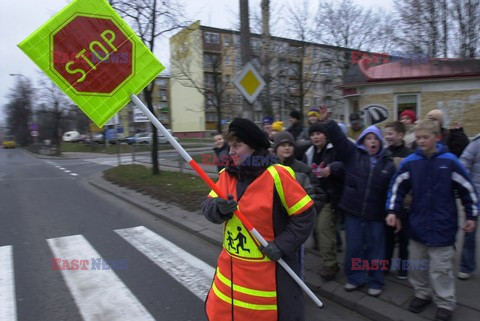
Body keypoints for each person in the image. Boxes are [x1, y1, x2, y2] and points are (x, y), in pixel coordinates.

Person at [201, 118, 316, 321]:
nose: (231, 152)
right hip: (229, 279)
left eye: (238, 146)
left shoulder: (278, 175)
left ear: (254, 148)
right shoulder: (226, 175)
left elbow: (305, 216)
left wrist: (281, 245)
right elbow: (207, 208)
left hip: (270, 279)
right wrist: (218, 208)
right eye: (230, 146)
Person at [386, 119, 478, 321]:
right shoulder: (411, 162)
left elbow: (467, 189)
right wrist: (392, 210)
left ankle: (445, 302)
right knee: (417, 265)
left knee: (441, 268)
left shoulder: (450, 161)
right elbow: (397, 187)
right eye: (418, 137)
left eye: (425, 137)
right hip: (417, 225)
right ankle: (422, 293)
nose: (421, 141)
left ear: (437, 137)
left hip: (443, 226)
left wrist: (471, 215)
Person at [316, 106, 395, 297]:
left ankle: (376, 280)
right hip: (353, 212)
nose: (372, 142)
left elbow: (392, 190)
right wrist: (328, 123)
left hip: (376, 214)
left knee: (376, 249)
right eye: (368, 138)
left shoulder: (388, 163)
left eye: (376, 138)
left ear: (380, 142)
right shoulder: (353, 155)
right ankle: (355, 278)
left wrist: (393, 211)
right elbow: (340, 140)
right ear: (363, 141)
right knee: (354, 247)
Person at [272, 131, 319, 280]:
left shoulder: (303, 169)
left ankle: (297, 289)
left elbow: (315, 195)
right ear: (275, 148)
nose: (287, 148)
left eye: (290, 145)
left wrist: (305, 214)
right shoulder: (268, 168)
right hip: (274, 223)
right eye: (283, 145)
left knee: (297, 259)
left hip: (295, 225)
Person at [302, 123, 344, 280]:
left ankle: (330, 264)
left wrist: (333, 167)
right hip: (315, 197)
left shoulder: (334, 150)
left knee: (323, 228)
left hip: (331, 198)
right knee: (324, 230)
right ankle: (331, 256)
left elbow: (344, 164)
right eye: (312, 134)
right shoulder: (309, 152)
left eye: (318, 133)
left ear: (325, 135)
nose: (315, 137)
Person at [383, 121, 413, 279]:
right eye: (386, 134)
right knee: (387, 238)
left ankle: (403, 268)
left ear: (401, 135)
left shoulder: (409, 154)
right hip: (388, 205)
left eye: (390, 133)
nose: (387, 136)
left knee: (404, 239)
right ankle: (386, 265)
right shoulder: (384, 153)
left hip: (405, 204)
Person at [458, 133, 480, 280]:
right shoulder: (477, 143)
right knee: (470, 231)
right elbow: (463, 164)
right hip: (476, 195)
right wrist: (467, 186)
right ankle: (466, 266)